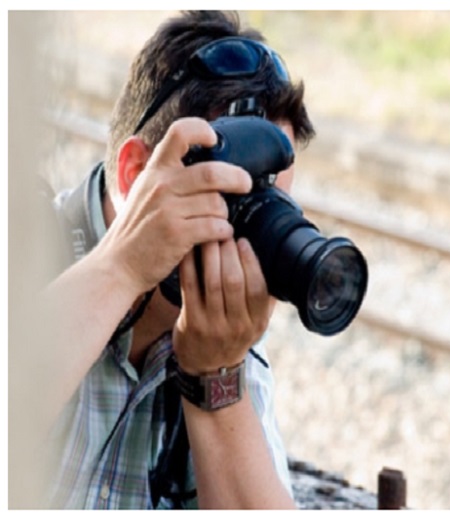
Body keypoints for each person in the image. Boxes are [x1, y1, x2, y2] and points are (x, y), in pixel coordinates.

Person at [41, 11, 314, 509]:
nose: (245, 243)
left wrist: (215, 379)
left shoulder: (217, 332)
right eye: (231, 196)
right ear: (135, 175)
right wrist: (123, 264)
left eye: (273, 205)